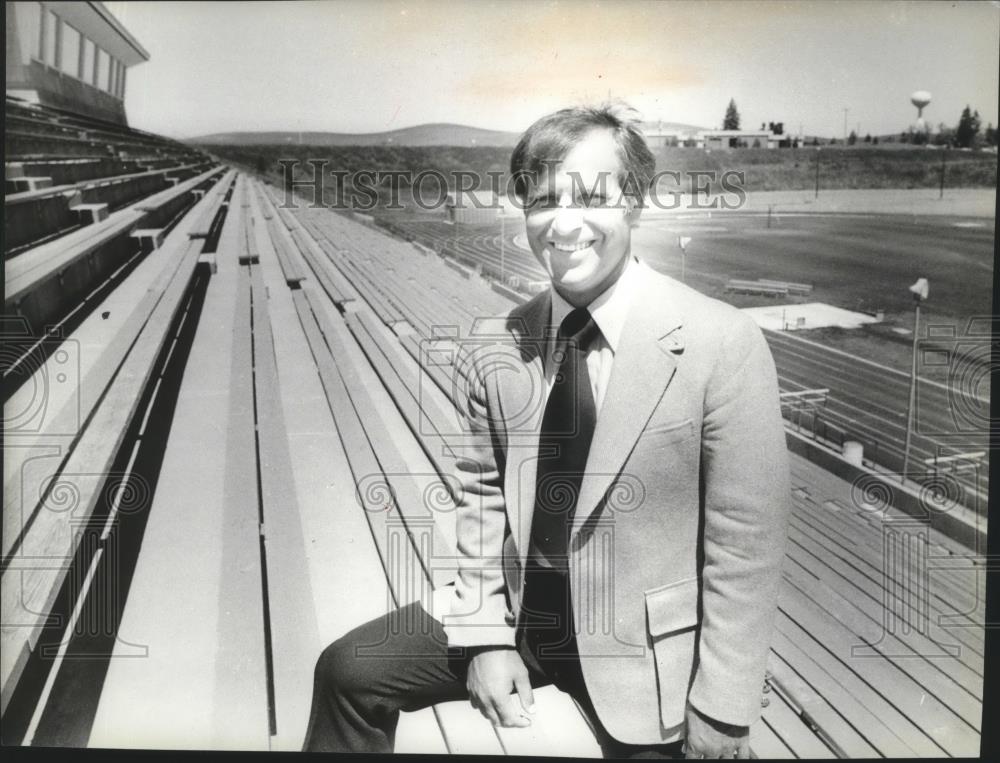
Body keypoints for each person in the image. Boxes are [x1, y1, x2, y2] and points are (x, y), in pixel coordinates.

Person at [303, 103, 791, 758]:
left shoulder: (721, 342)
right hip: (530, 614)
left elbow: (747, 546)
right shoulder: (500, 342)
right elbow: (478, 503)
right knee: (349, 671)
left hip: (639, 648)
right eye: (542, 201)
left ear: (637, 203)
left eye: (591, 196)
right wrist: (484, 635)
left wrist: (724, 707)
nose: (564, 224)